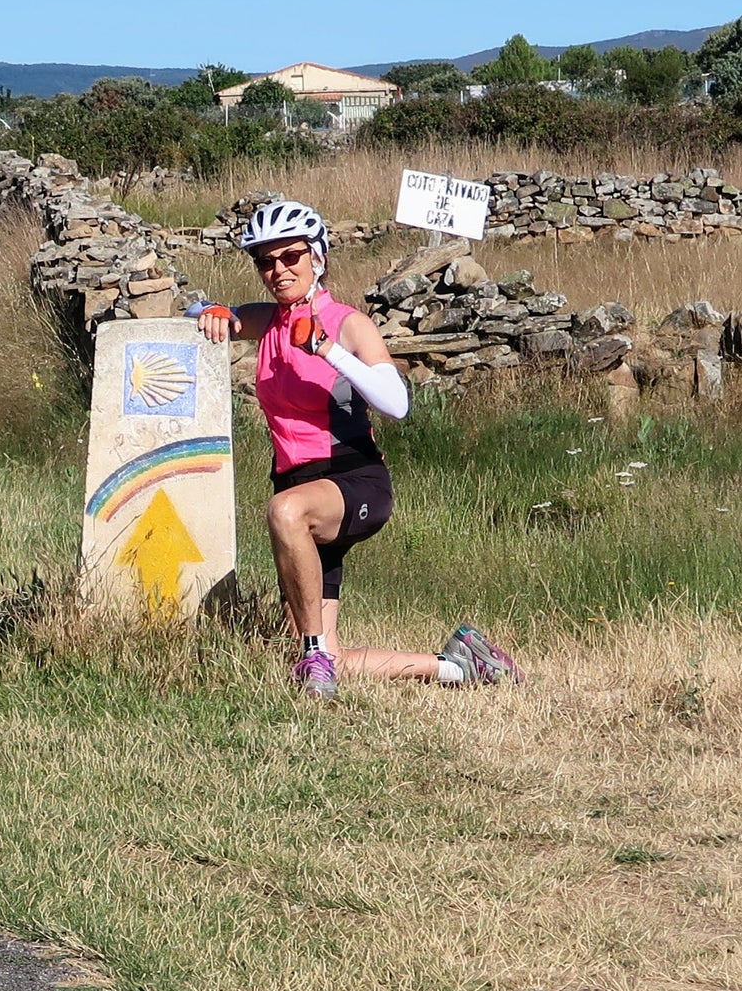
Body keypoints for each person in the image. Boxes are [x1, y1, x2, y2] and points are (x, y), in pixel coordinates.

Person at [195, 199, 519, 697]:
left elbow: (396, 403)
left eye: (291, 257)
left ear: (317, 257)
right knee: (327, 652)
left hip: (352, 480)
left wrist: (327, 349)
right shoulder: (269, 320)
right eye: (265, 261)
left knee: (284, 514)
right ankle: (463, 666)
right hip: (298, 484)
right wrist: (211, 312)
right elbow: (210, 314)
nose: (278, 270)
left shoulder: (348, 324)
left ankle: (313, 656)